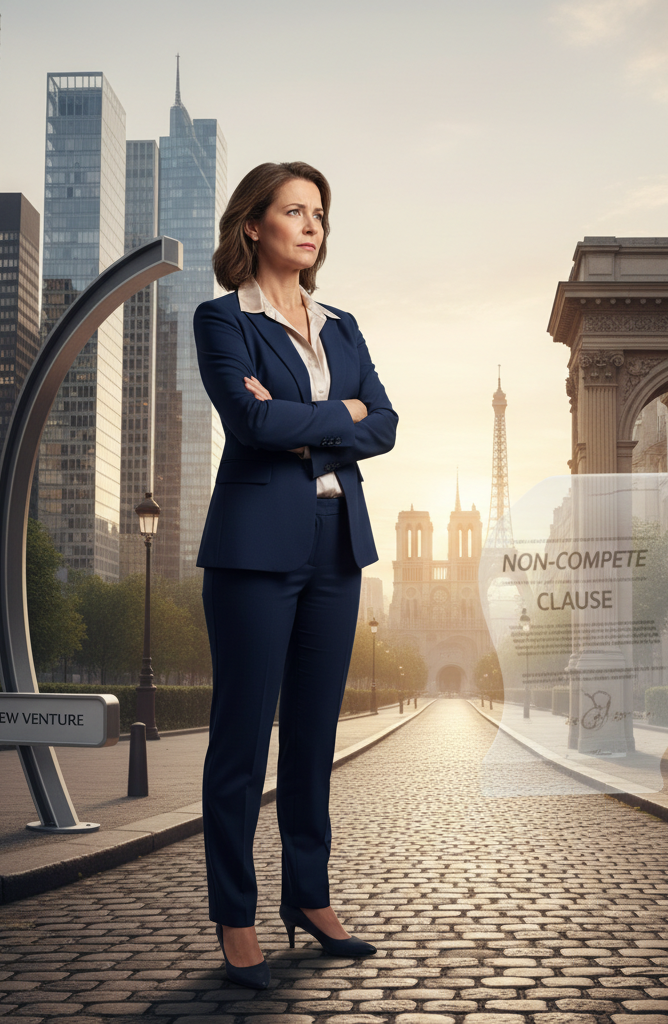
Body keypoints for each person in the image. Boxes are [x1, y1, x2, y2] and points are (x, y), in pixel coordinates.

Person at [194, 161, 397, 988]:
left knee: (315, 738)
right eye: (293, 211)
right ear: (254, 225)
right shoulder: (223, 320)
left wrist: (303, 424)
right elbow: (247, 419)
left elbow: (384, 424)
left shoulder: (342, 325)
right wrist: (335, 417)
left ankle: (307, 897)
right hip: (253, 545)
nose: (311, 226)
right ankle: (235, 918)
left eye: (319, 213)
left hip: (335, 541)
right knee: (241, 742)